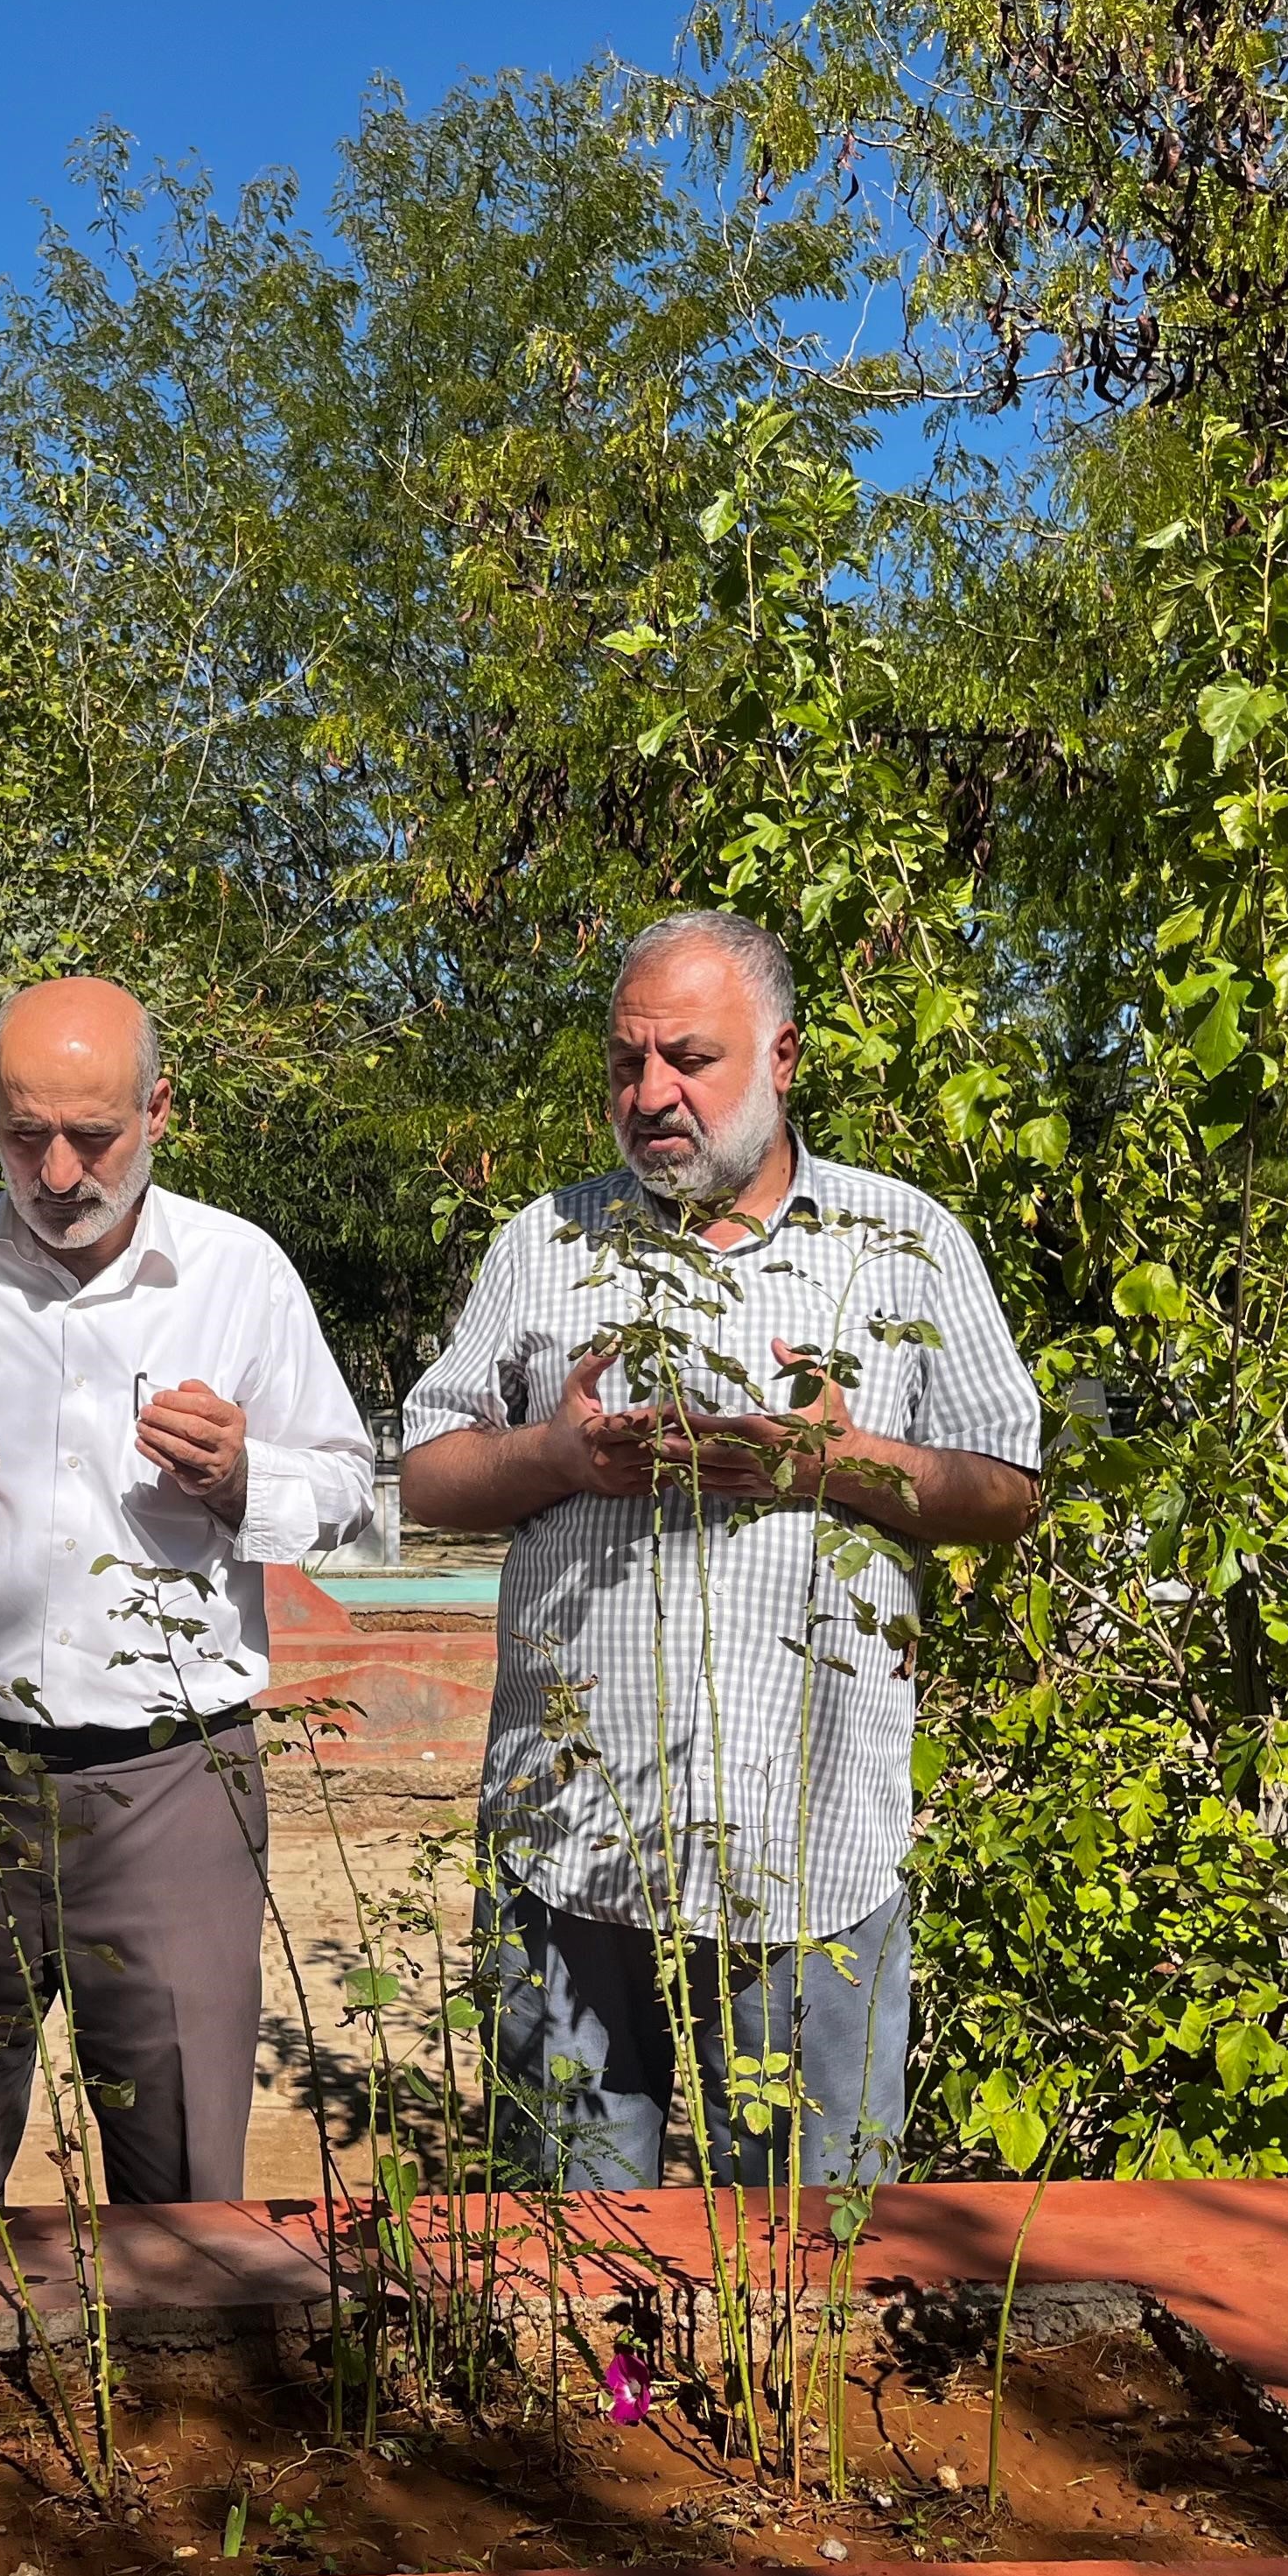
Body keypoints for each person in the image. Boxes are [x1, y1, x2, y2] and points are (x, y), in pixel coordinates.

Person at [398, 911, 1042, 2190]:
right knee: (572, 2263)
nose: (650, 1097)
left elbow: (1007, 1489)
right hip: (571, 1836)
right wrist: (560, 1458)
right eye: (625, 1066)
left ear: (784, 1055)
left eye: (688, 1059)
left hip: (806, 1840)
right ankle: (603, 2406)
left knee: (814, 2254)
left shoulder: (898, 1243)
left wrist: (834, 1465)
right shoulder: (548, 1242)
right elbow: (427, 1474)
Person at [0, 978, 374, 2207]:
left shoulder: (239, 1272)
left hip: (175, 1780)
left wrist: (241, 1480)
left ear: (160, 1109)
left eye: (92, 1136)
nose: (56, 1170)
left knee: (178, 2177)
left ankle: (170, 2398)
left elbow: (349, 1490)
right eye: (23, 1135)